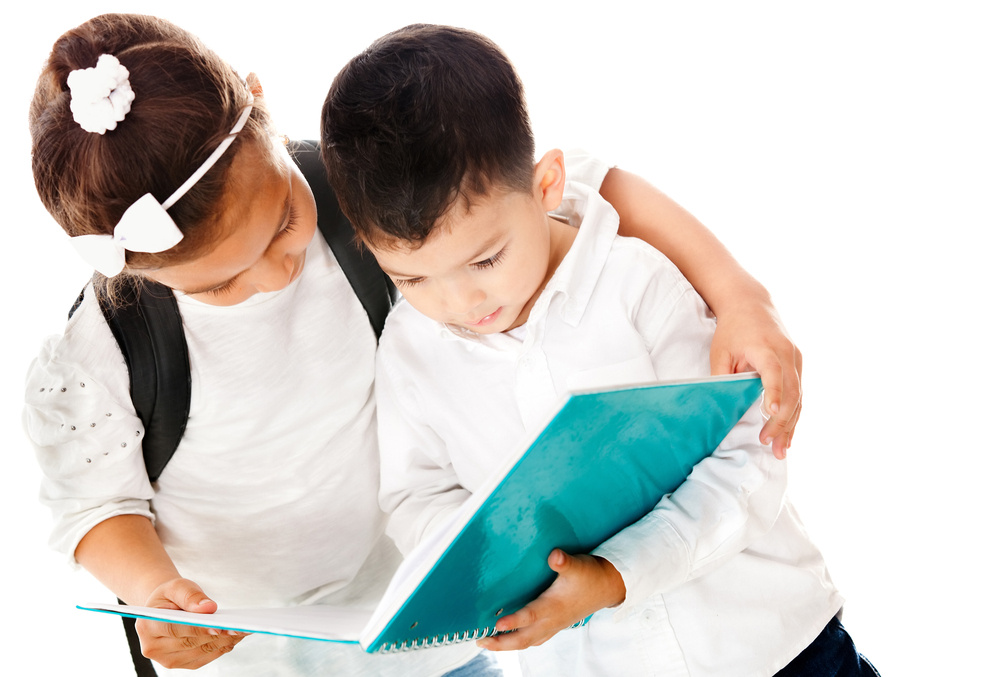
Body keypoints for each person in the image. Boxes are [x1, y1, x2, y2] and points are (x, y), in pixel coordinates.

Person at [25, 13, 802, 676]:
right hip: (251, 651)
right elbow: (95, 504)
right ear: (137, 271)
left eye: (284, 226)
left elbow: (588, 192)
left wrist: (739, 296)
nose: (271, 275)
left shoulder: (367, 192)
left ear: (263, 109)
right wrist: (153, 589)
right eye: (219, 284)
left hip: (421, 623)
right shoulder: (98, 355)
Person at [321, 24, 878, 677]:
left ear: (548, 184)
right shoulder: (409, 349)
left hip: (768, 648)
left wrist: (617, 573)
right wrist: (487, 562)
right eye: (412, 278)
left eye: (486, 258)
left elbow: (749, 457)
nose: (460, 303)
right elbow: (418, 498)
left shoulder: (635, 282)